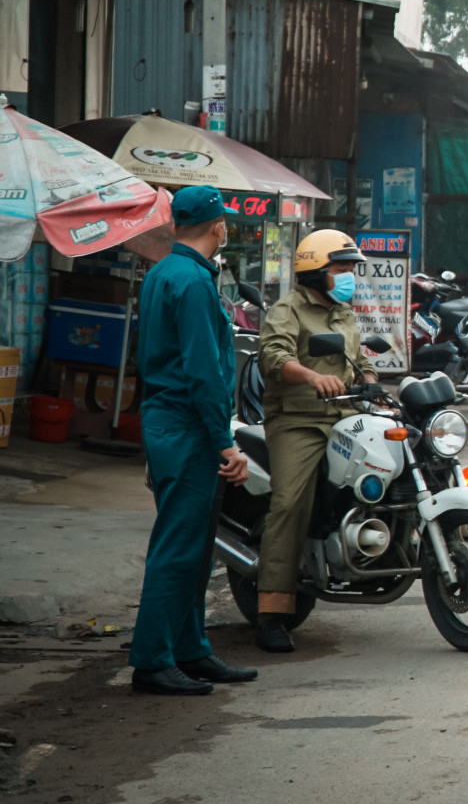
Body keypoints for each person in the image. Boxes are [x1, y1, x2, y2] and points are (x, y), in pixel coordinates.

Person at [129, 185, 255, 695]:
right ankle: (152, 661)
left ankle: (191, 649)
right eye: (225, 222)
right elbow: (203, 372)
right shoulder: (196, 283)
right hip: (187, 426)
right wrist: (225, 443)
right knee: (179, 547)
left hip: (167, 422)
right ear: (217, 225)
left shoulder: (161, 272)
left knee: (198, 547)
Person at [252, 229, 375, 652]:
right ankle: (271, 612)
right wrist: (312, 376)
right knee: (288, 503)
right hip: (298, 420)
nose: (348, 277)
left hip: (346, 417)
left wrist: (371, 381)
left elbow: (358, 362)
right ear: (317, 271)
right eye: (341, 269)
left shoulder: (344, 313)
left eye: (350, 270)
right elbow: (274, 356)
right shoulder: (287, 310)